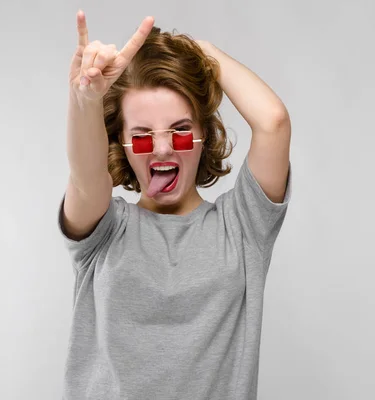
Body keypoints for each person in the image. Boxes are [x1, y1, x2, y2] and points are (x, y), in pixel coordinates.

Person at [58, 9, 292, 400]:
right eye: (144, 136)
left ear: (204, 134)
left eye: (181, 131)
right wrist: (85, 100)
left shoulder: (242, 226)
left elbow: (273, 122)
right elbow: (85, 174)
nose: (163, 148)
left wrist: (198, 53)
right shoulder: (103, 228)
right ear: (121, 144)